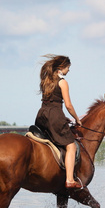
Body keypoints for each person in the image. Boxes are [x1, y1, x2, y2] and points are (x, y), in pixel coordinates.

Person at [35, 54, 83, 189]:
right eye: (68, 68)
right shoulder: (62, 82)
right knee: (71, 146)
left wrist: (62, 118)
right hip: (55, 115)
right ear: (62, 67)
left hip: (42, 115)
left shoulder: (45, 80)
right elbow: (68, 105)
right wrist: (77, 119)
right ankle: (69, 180)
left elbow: (50, 103)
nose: (69, 70)